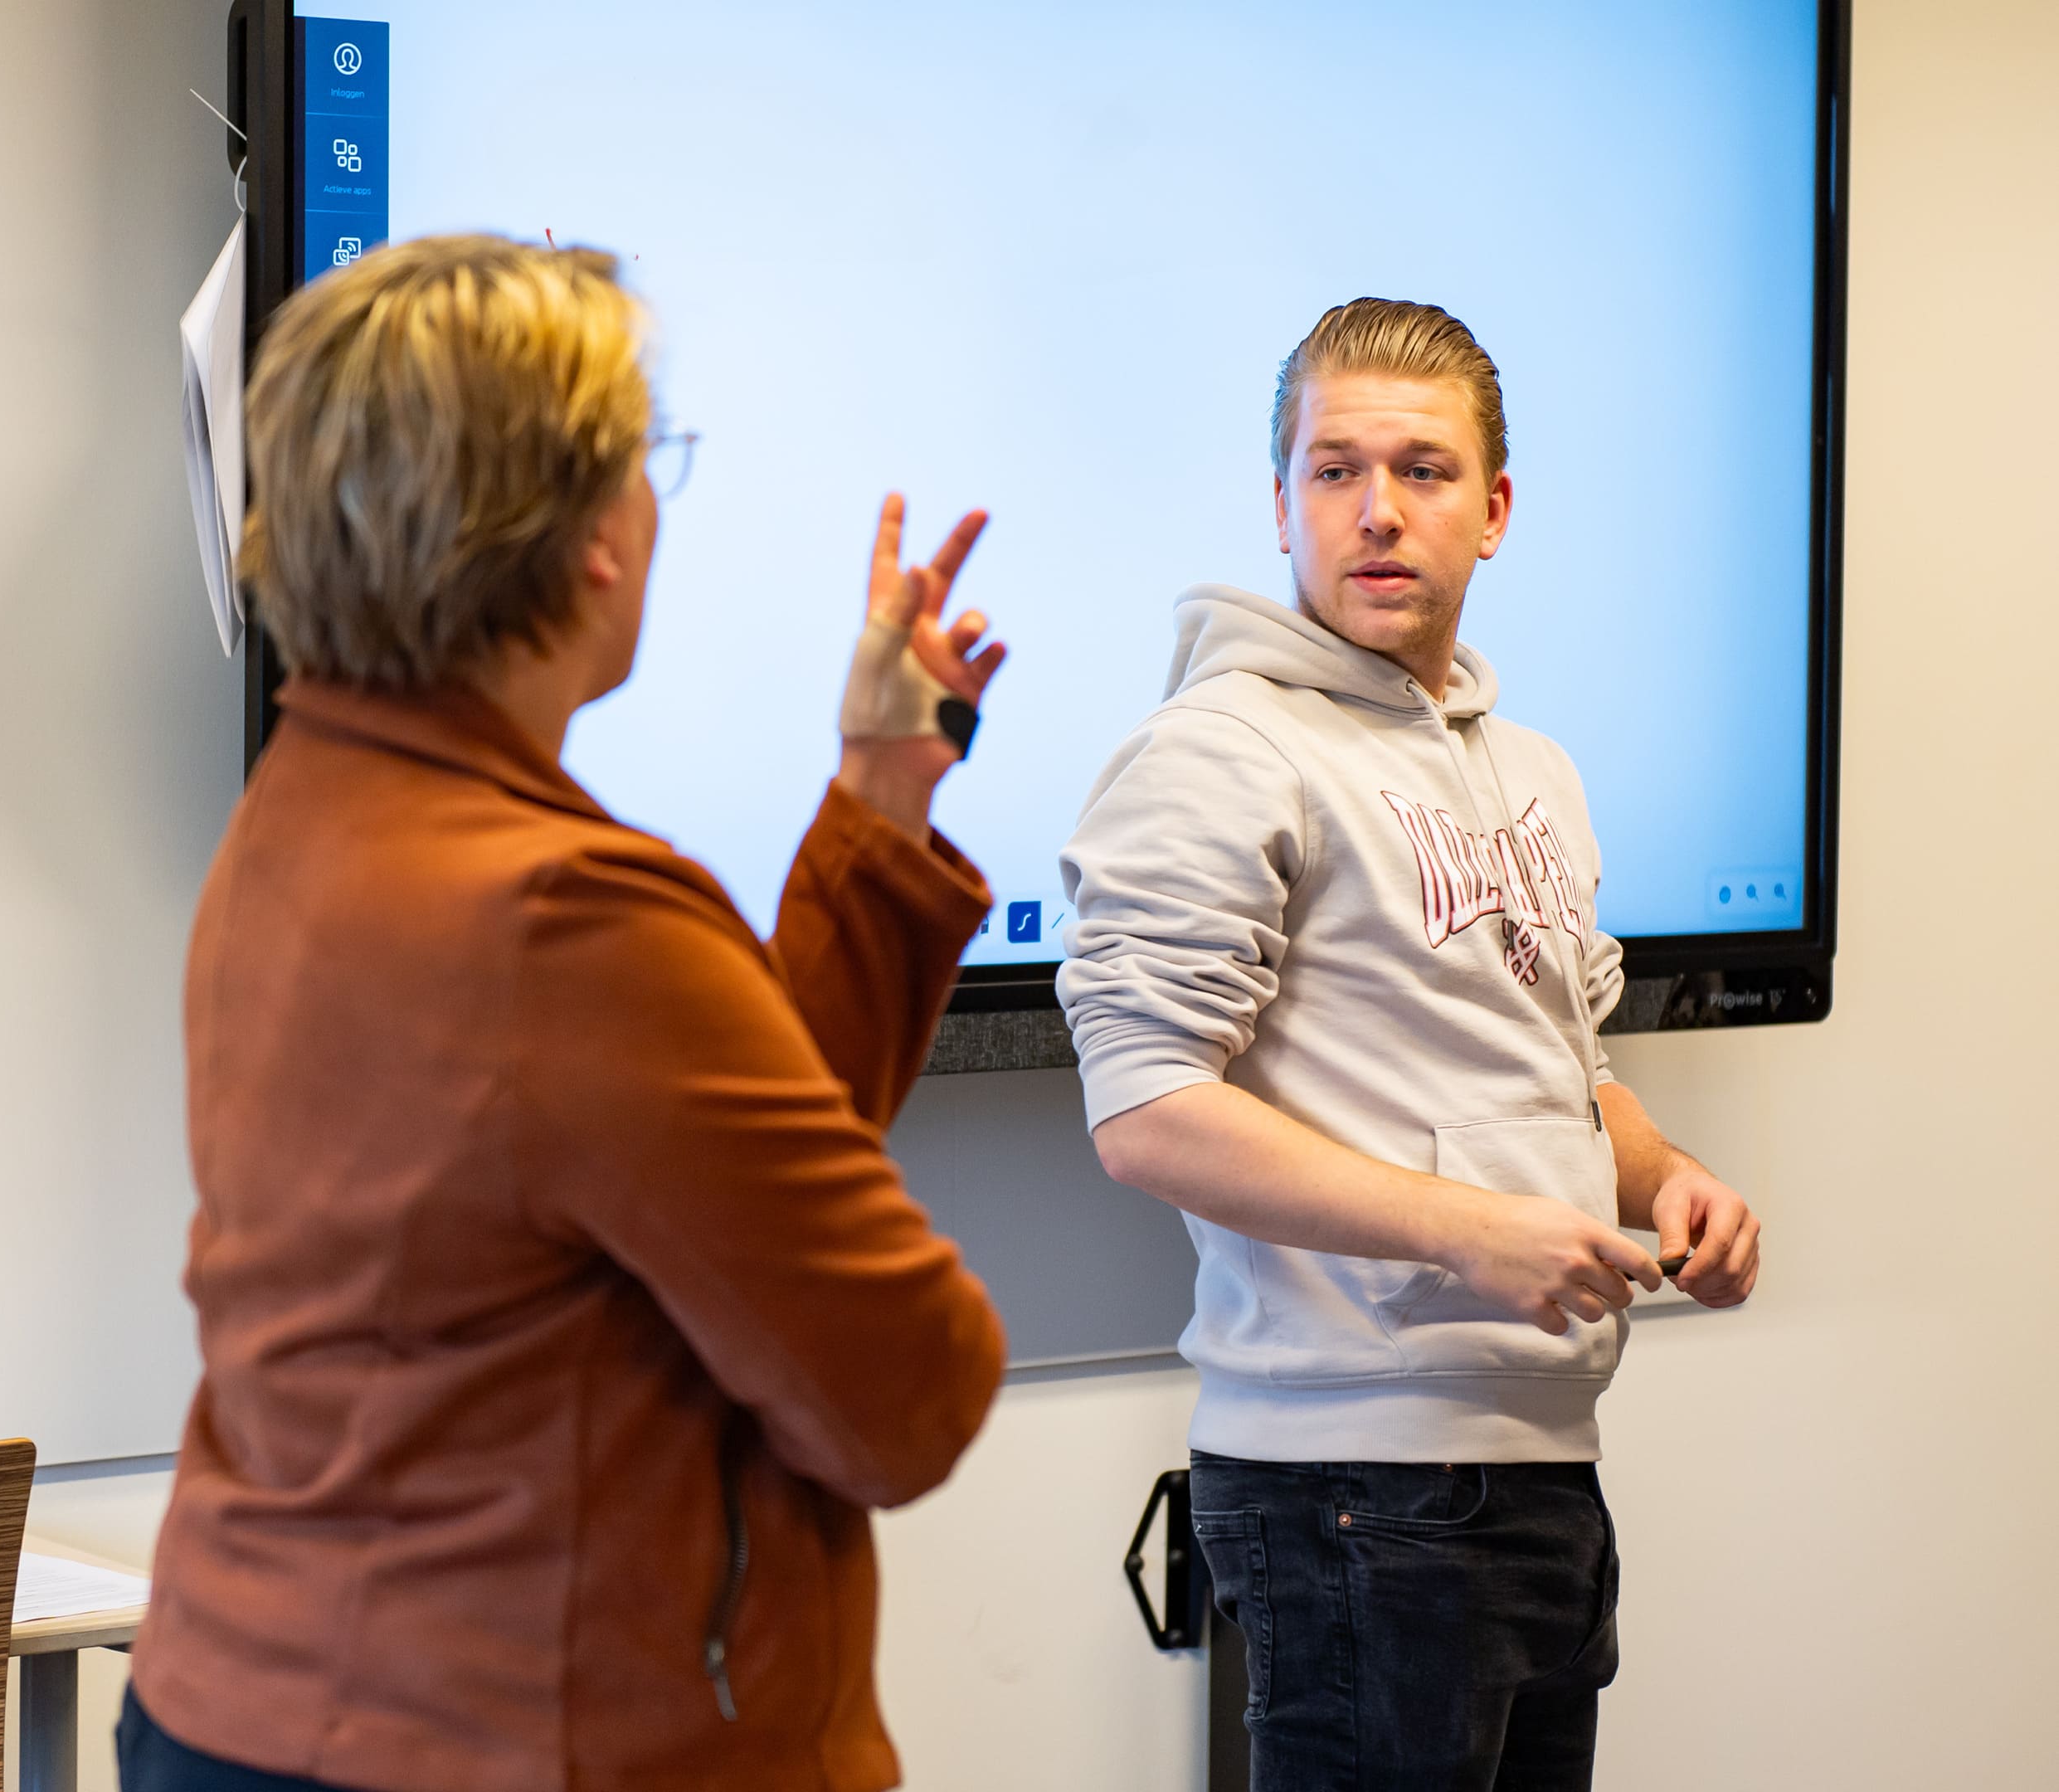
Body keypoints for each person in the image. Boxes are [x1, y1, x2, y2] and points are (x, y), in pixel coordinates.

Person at [122, 235, 1010, 1792]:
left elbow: (712, 1156)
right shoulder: (566, 921)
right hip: (520, 1742)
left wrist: (878, 785)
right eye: (646, 461)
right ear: (586, 536)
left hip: (249, 1708)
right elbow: (907, 1392)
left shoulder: (299, 813)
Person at [1059, 298, 1764, 1790]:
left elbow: (1568, 1078)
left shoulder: (1533, 770)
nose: (1377, 511)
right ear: (1281, 503)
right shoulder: (1219, 749)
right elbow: (1147, 1111)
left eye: (1426, 471)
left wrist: (1668, 1178)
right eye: (1334, 470)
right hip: (1352, 1490)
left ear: (1495, 509)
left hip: (1542, 1467)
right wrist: (1470, 1236)